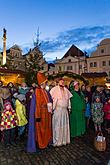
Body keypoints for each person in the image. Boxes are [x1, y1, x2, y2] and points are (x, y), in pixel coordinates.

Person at [27, 72, 52, 152]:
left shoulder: (45, 91)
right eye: (45, 83)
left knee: (46, 129)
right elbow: (37, 105)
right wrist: (37, 116)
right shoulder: (37, 91)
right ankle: (41, 144)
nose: (46, 84)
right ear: (42, 83)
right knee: (40, 130)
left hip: (46, 113)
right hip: (41, 114)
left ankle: (46, 142)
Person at [50, 78, 72, 147]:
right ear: (58, 82)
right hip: (57, 110)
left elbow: (68, 100)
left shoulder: (66, 90)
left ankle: (64, 140)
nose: (62, 82)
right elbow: (52, 100)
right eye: (61, 81)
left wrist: (69, 107)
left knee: (64, 125)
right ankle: (57, 141)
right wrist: (52, 109)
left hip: (65, 111)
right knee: (57, 125)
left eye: (63, 81)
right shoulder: (54, 89)